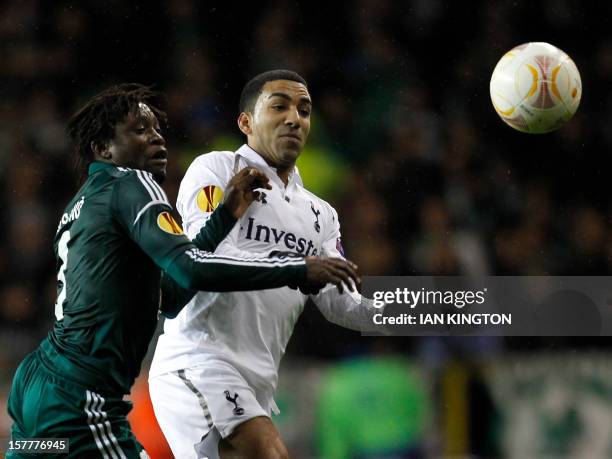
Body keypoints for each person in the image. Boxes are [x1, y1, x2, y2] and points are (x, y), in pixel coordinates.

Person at [6, 83, 359, 459]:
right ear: (103, 149)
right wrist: (298, 269)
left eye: (157, 129)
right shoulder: (131, 183)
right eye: (140, 130)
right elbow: (190, 270)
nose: (157, 138)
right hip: (82, 395)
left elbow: (171, 296)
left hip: (38, 385)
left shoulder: (84, 201)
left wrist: (222, 217)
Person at [149, 70, 382, 459]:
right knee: (268, 452)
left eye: (304, 111)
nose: (295, 118)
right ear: (246, 122)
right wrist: (297, 267)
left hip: (257, 383)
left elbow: (340, 302)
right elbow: (202, 259)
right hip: (199, 362)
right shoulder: (218, 169)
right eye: (279, 106)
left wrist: (415, 311)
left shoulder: (320, 214)